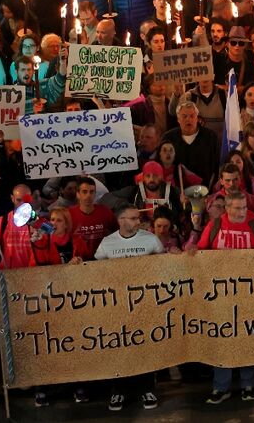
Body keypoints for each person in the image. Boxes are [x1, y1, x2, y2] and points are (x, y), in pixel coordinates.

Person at [190, 192, 254, 404]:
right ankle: (221, 387)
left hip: (248, 294)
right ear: (227, 208)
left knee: (247, 338)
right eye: (236, 208)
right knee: (222, 339)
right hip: (220, 295)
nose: (241, 212)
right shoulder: (215, 225)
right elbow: (201, 252)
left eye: (244, 208)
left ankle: (247, 384)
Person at [94, 205, 162, 412]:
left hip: (144, 302)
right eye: (132, 218)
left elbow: (164, 264)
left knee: (144, 346)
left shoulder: (150, 239)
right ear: (121, 220)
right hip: (117, 305)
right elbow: (95, 271)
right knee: (119, 347)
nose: (137, 222)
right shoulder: (107, 243)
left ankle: (146, 389)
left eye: (137, 218)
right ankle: (119, 390)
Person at [162, 101, 221, 186]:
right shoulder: (168, 138)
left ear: (197, 118)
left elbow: (217, 163)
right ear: (178, 119)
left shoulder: (211, 137)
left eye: (192, 116)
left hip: (205, 188)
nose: (188, 119)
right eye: (184, 116)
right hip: (177, 190)